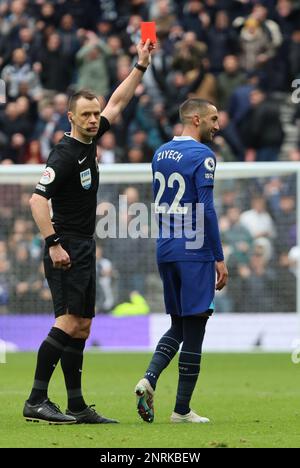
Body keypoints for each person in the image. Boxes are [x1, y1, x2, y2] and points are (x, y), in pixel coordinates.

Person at [23, 39, 153, 425]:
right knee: (67, 322)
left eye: (95, 114)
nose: (95, 118)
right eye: (86, 115)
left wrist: (140, 67)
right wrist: (53, 244)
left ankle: (76, 405)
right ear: (71, 118)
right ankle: (36, 401)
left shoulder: (90, 142)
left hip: (83, 245)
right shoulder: (63, 155)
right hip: (66, 248)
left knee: (82, 325)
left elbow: (118, 103)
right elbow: (35, 201)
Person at [135, 98, 228, 424]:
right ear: (194, 118)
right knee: (196, 326)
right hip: (195, 250)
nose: (217, 125)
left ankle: (149, 378)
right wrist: (218, 256)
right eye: (213, 118)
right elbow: (207, 208)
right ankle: (181, 410)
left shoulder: (159, 153)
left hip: (166, 249)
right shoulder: (203, 156)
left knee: (178, 324)